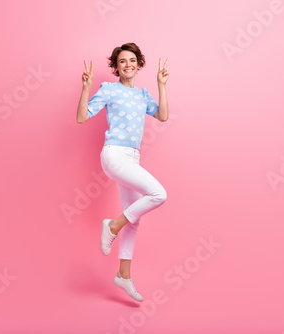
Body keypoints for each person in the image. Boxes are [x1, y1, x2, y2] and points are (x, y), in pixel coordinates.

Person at [76, 42, 169, 302]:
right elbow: (82, 117)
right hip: (114, 154)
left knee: (134, 220)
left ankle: (123, 276)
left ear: (139, 65)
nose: (127, 65)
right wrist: (85, 88)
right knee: (158, 194)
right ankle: (112, 225)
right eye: (122, 62)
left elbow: (162, 115)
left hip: (132, 158)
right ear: (117, 68)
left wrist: (162, 86)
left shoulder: (142, 94)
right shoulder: (109, 90)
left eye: (131, 60)